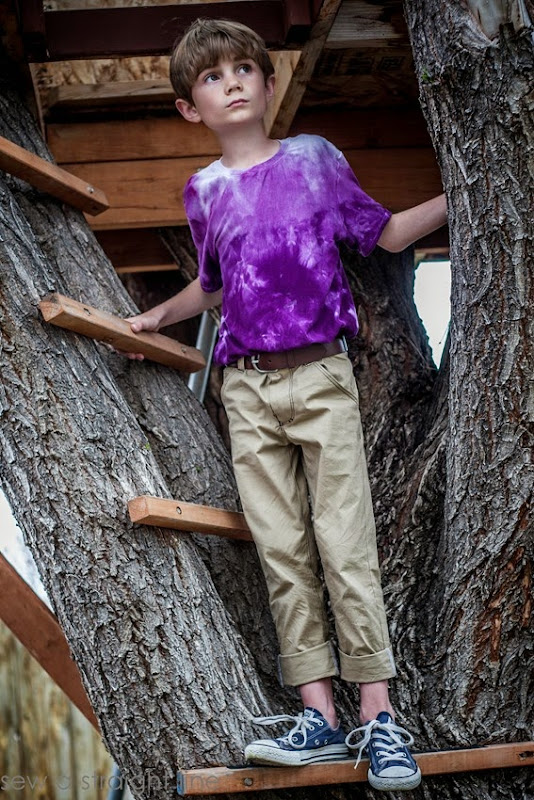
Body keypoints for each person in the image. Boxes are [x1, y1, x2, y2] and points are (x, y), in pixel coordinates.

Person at [123, 18, 447, 792]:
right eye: (211, 77)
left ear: (270, 85)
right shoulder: (204, 191)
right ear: (190, 108)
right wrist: (156, 317)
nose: (231, 83)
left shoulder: (313, 160)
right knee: (282, 551)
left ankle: (379, 719)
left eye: (243, 69)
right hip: (247, 389)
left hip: (321, 377)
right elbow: (213, 286)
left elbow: (387, 235)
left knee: (345, 543)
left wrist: (467, 191)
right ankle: (319, 719)